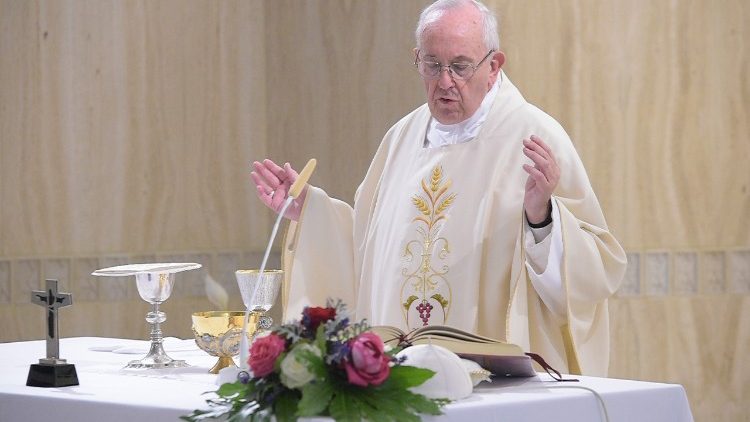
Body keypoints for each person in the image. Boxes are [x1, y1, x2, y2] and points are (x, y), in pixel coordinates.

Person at [251, 0, 626, 376]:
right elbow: (369, 248)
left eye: (460, 66)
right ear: (417, 59)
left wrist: (542, 217)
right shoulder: (400, 138)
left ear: (493, 66)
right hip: (402, 380)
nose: (444, 81)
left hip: (496, 386)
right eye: (432, 65)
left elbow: (594, 275)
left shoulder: (536, 137)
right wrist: (310, 210)